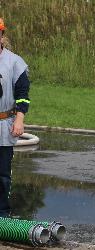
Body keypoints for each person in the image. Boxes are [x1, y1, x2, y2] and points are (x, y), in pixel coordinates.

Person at [0, 18, 31, 217]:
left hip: (4, 123)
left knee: (2, 174)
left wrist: (19, 119)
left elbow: (22, 95)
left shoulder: (14, 62)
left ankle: (2, 213)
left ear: (1, 35)